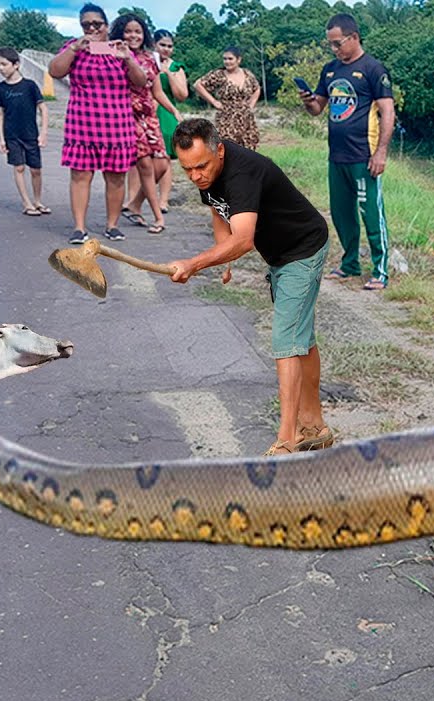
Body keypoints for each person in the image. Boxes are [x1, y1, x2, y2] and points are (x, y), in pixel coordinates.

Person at [168, 119, 334, 456]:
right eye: (187, 170)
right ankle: (315, 426)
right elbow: (219, 209)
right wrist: (221, 256)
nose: (196, 176)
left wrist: (195, 262)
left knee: (286, 341)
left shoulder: (242, 173)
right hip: (279, 255)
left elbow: (243, 240)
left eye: (201, 166)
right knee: (301, 336)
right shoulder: (208, 171)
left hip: (302, 249)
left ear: (220, 151)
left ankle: (287, 440)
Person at [300, 13, 396, 290]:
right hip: (337, 156)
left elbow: (388, 112)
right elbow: (317, 108)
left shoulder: (374, 69)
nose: (334, 49)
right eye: (330, 44)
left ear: (354, 37)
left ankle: (380, 270)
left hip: (363, 157)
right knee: (342, 214)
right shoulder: (330, 70)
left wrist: (381, 153)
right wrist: (308, 101)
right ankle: (350, 264)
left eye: (338, 43)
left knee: (371, 214)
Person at [48, 3, 147, 244]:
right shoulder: (74, 48)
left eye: (97, 24)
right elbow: (54, 71)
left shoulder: (119, 49)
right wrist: (73, 49)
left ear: (106, 25)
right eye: (86, 25)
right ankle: (79, 228)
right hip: (83, 124)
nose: (92, 28)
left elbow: (141, 81)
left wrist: (128, 59)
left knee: (115, 177)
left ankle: (112, 225)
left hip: (117, 124)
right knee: (81, 176)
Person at [112, 14, 183, 235]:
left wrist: (173, 110)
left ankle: (134, 205)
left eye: (137, 31)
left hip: (149, 116)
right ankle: (158, 217)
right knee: (144, 165)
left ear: (144, 35)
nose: (133, 35)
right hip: (126, 116)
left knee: (162, 164)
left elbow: (156, 90)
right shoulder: (113, 54)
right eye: (128, 31)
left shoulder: (150, 57)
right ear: (120, 33)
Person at [125, 28, 186, 215]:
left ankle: (163, 200)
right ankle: (132, 200)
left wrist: (167, 73)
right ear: (154, 45)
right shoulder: (143, 60)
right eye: (162, 45)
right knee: (137, 159)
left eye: (169, 46)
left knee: (164, 158)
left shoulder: (176, 67)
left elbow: (182, 95)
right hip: (143, 111)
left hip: (166, 114)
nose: (166, 49)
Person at [0, 47, 50, 216]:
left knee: (36, 169)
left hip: (30, 134)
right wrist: (2, 139)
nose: (1, 68)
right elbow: (0, 113)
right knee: (18, 168)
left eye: (4, 64)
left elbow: (43, 109)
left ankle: (38, 201)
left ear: (16, 64)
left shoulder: (30, 86)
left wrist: (44, 132)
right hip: (12, 135)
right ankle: (26, 203)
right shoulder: (0, 88)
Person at [194, 47, 260, 150]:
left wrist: (251, 105)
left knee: (248, 151)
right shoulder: (219, 75)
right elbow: (198, 85)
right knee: (228, 150)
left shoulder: (247, 74)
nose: (227, 62)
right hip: (226, 118)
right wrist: (214, 102)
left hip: (246, 119)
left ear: (238, 60)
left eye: (230, 59)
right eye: (225, 59)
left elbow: (256, 88)